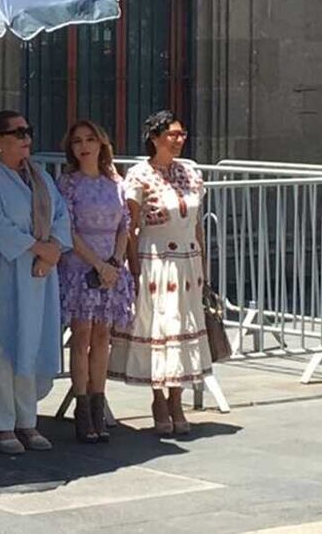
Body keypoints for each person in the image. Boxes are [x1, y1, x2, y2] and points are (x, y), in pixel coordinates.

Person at [0, 110, 71, 455]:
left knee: (34, 342)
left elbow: (60, 215)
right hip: (9, 270)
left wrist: (54, 250)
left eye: (28, 131)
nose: (26, 137)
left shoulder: (40, 175)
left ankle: (27, 420)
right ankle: (1, 424)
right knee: (3, 344)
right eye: (17, 133)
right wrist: (37, 248)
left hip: (43, 273)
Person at [109, 110, 212, 435]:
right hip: (155, 260)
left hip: (187, 260)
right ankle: (158, 398)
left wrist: (204, 262)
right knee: (158, 326)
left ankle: (177, 397)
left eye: (182, 134)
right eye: (172, 135)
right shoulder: (140, 174)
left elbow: (196, 222)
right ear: (155, 138)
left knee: (184, 323)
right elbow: (131, 226)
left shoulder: (191, 172)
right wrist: (134, 268)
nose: (179, 140)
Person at [56, 120, 135, 443]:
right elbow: (69, 230)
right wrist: (97, 264)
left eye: (90, 139)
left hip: (111, 267)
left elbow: (124, 225)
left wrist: (115, 262)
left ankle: (99, 402)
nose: (84, 146)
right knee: (82, 334)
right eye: (77, 141)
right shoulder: (68, 184)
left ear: (102, 144)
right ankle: (83, 409)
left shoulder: (115, 181)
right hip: (81, 265)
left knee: (103, 335)